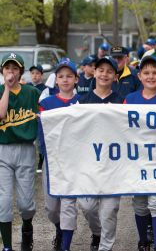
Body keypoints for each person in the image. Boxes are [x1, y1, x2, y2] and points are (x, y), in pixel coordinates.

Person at [124, 56, 156, 251]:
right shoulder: (130, 99)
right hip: (137, 158)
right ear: (139, 76)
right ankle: (143, 242)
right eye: (146, 73)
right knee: (139, 202)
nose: (151, 76)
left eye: (155, 73)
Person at [77, 56, 124, 251]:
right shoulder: (83, 101)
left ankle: (106, 246)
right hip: (89, 163)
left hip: (113, 163)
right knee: (87, 207)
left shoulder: (122, 101)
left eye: (109, 71)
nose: (104, 74)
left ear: (115, 76)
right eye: (101, 70)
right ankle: (97, 233)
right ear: (94, 72)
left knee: (109, 210)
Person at [0, 53, 41, 251]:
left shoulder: (32, 92)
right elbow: (1, 114)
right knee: (4, 202)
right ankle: (7, 246)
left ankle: (27, 226)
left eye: (15, 68)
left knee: (26, 205)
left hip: (26, 150)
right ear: (2, 71)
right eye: (7, 68)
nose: (11, 72)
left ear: (21, 72)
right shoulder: (0, 90)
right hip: (3, 151)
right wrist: (6, 88)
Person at [38, 59, 80, 251]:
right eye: (61, 76)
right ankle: (59, 229)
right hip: (53, 159)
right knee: (52, 208)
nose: (65, 80)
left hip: (73, 159)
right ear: (56, 80)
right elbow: (42, 132)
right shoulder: (46, 103)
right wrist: (46, 154)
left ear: (76, 79)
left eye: (69, 76)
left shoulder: (81, 103)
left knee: (68, 205)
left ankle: (65, 246)